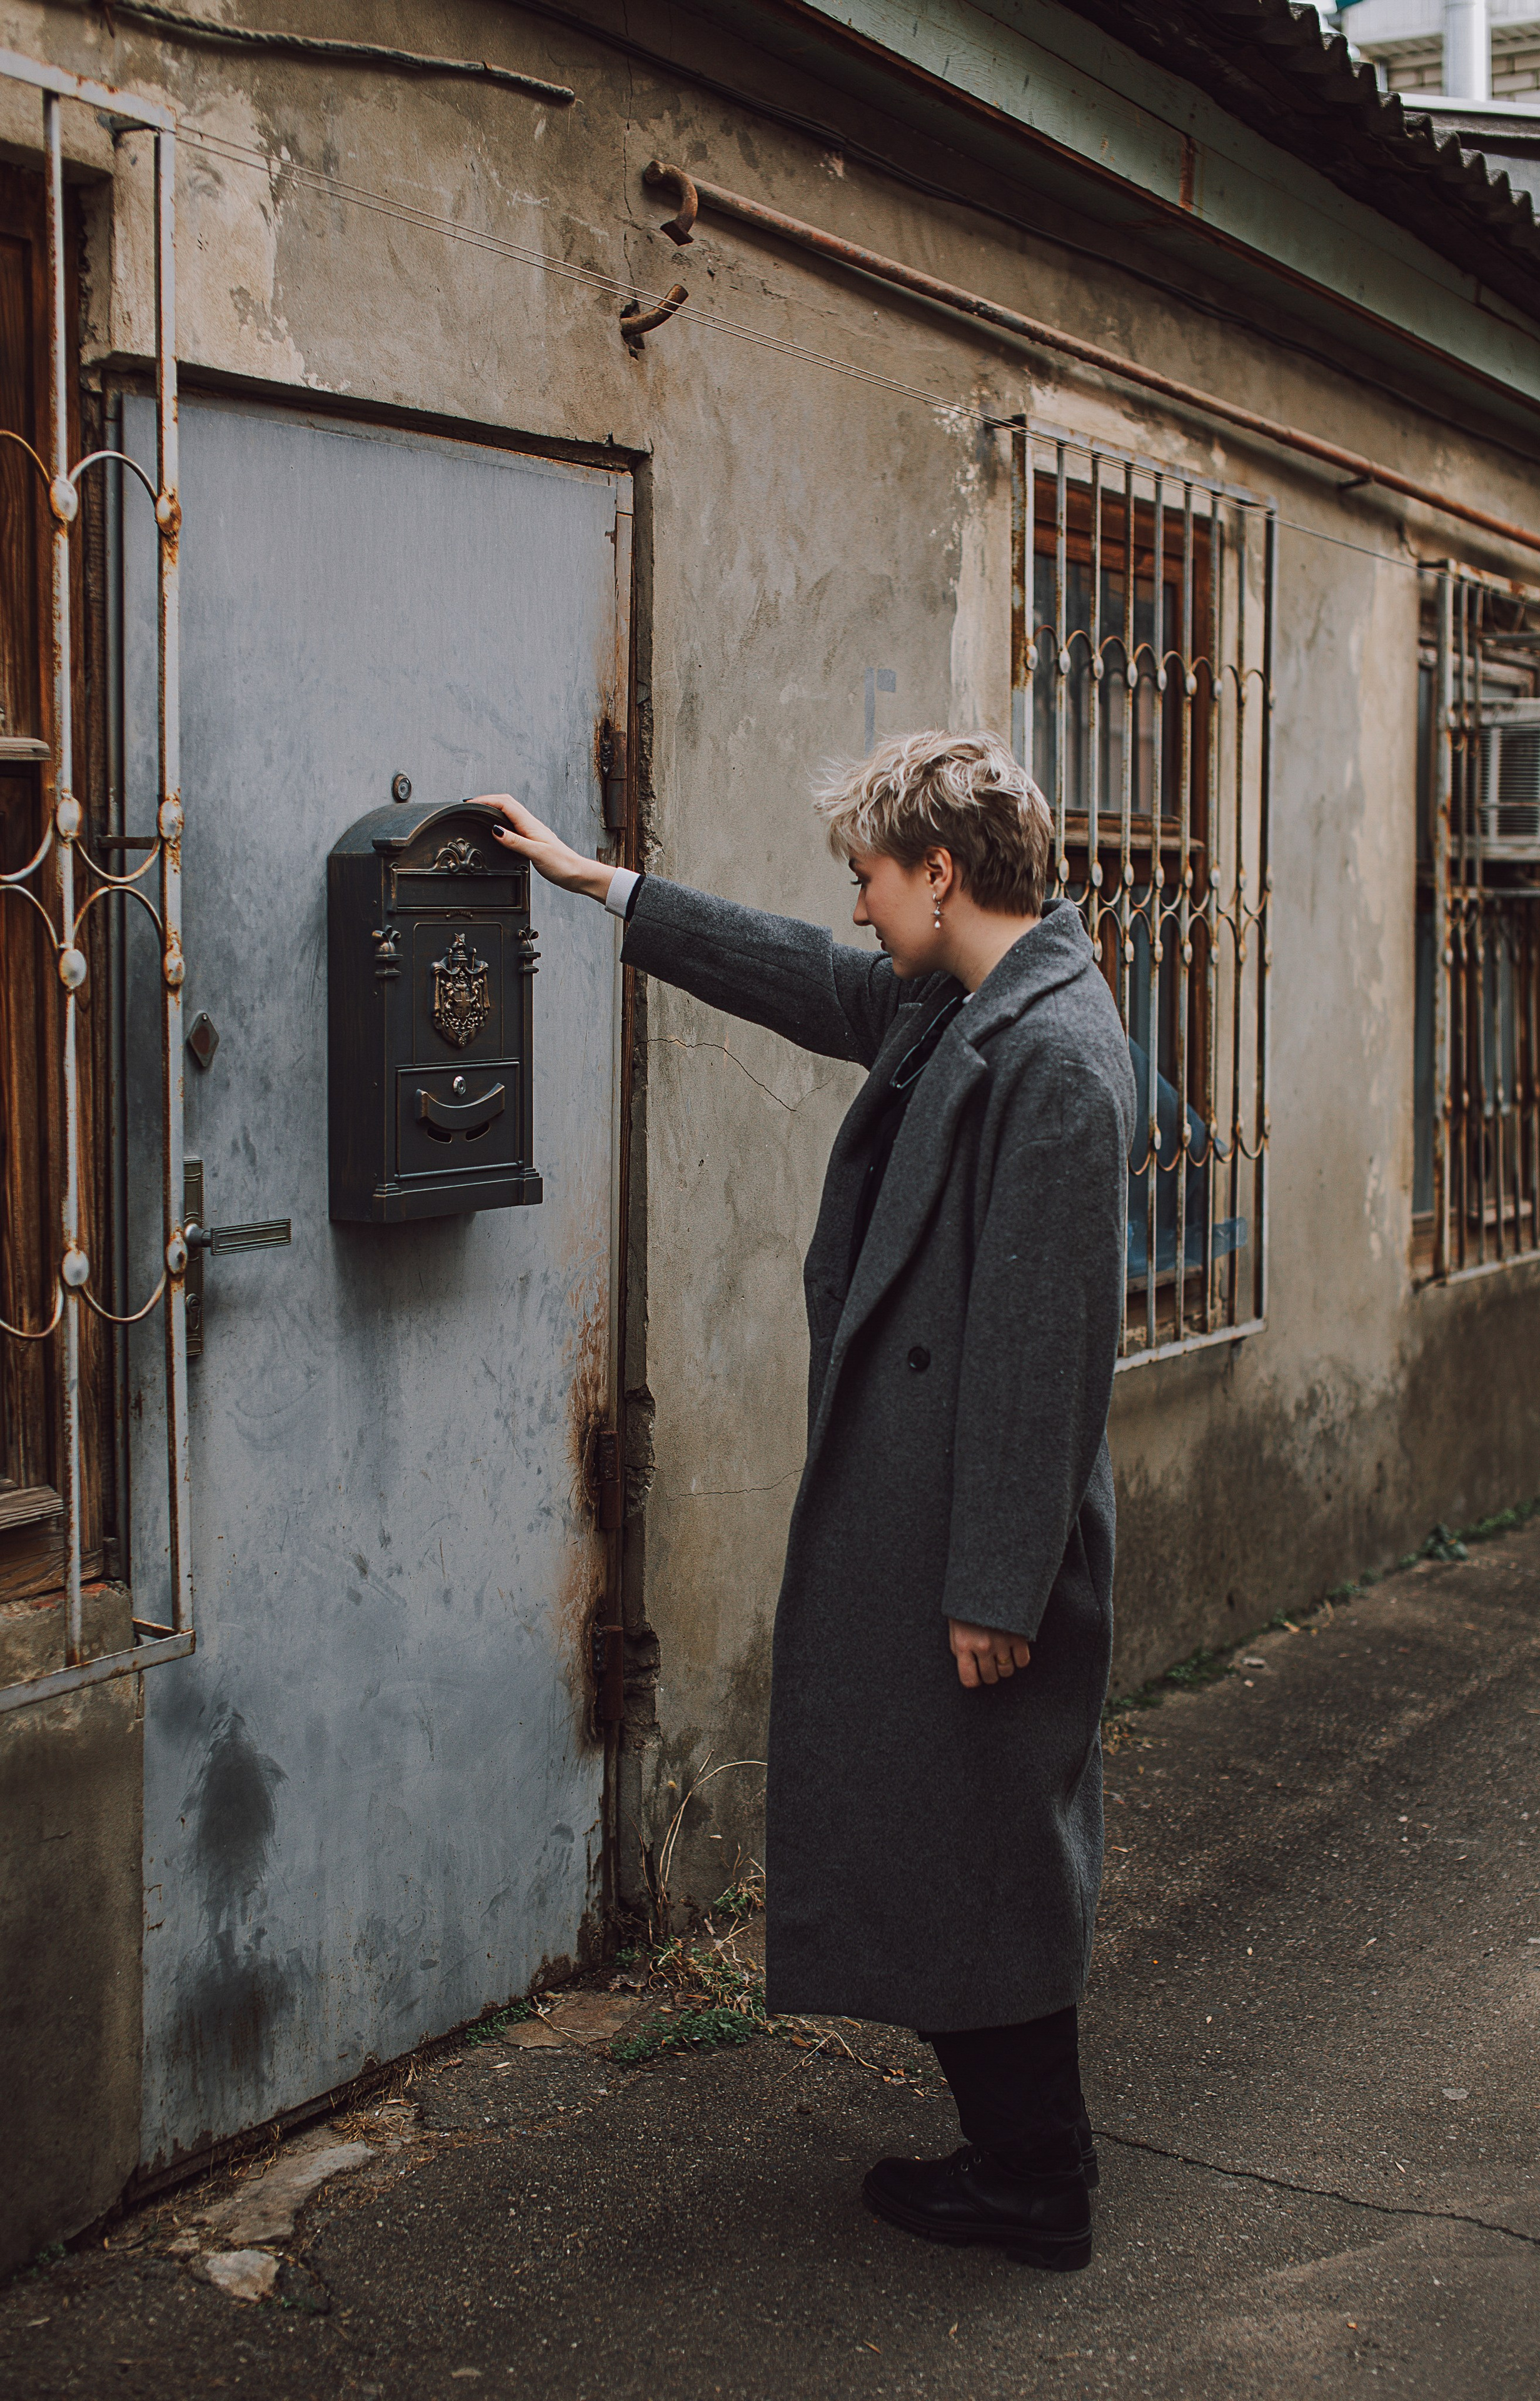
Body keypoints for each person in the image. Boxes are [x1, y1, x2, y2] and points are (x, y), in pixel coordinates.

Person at [478, 729, 1134, 2274]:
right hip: (934, 1522)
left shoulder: (1054, 1057)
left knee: (984, 1843)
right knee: (958, 1836)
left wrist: (994, 1584)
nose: (855, 909)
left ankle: (1038, 2180)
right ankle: (1019, 2159)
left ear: (941, 873)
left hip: (984, 1545)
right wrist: (605, 888)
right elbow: (808, 980)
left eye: (867, 877)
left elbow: (1044, 1361)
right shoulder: (970, 1002)